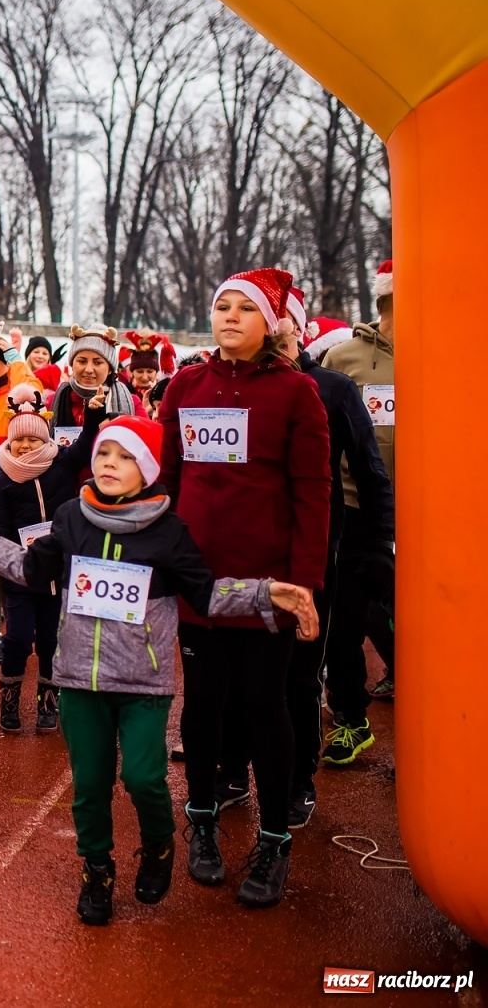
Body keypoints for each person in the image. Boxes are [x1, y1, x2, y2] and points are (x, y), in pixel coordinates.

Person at [0, 415, 317, 925]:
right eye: (104, 453)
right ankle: (97, 871)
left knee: (145, 778)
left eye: (125, 457)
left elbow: (207, 595)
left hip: (143, 683)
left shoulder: (169, 533)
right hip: (79, 678)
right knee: (90, 786)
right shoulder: (70, 518)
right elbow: (31, 570)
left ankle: (158, 844)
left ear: (147, 469)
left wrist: (265, 592)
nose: (109, 464)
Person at [157, 267, 330, 908]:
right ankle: (200, 821)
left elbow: (314, 495)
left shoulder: (296, 394)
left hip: (269, 588)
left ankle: (275, 837)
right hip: (199, 581)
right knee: (201, 710)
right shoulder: (186, 384)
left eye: (243, 308)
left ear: (271, 322)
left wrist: (304, 583)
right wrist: (160, 557)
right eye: (221, 306)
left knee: (265, 708)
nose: (228, 316)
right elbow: (170, 476)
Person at [215, 294, 392, 829]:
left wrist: (379, 538)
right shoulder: (226, 385)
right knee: (233, 665)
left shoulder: (332, 387)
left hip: (315, 551)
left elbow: (369, 468)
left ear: (290, 324)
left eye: (274, 313)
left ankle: (297, 782)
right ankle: (229, 773)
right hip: (243, 546)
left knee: (297, 673)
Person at [0, 384, 106, 730]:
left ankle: (47, 702)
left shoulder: (62, 463)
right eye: (18, 440)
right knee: (18, 637)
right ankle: (9, 696)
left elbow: (86, 445)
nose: (25, 446)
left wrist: (93, 412)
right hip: (20, 574)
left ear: (45, 440)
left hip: (61, 571)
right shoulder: (1, 478)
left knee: (53, 640)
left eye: (33, 440)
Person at [319, 259, 397, 751]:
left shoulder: (451, 351)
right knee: (344, 621)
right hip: (353, 509)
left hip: (435, 513)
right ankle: (352, 717)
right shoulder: (343, 357)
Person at [54, 326, 143, 428]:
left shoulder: (132, 402)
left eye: (97, 362)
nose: (88, 369)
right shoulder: (57, 399)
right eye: (82, 361)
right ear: (72, 364)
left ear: (110, 369)